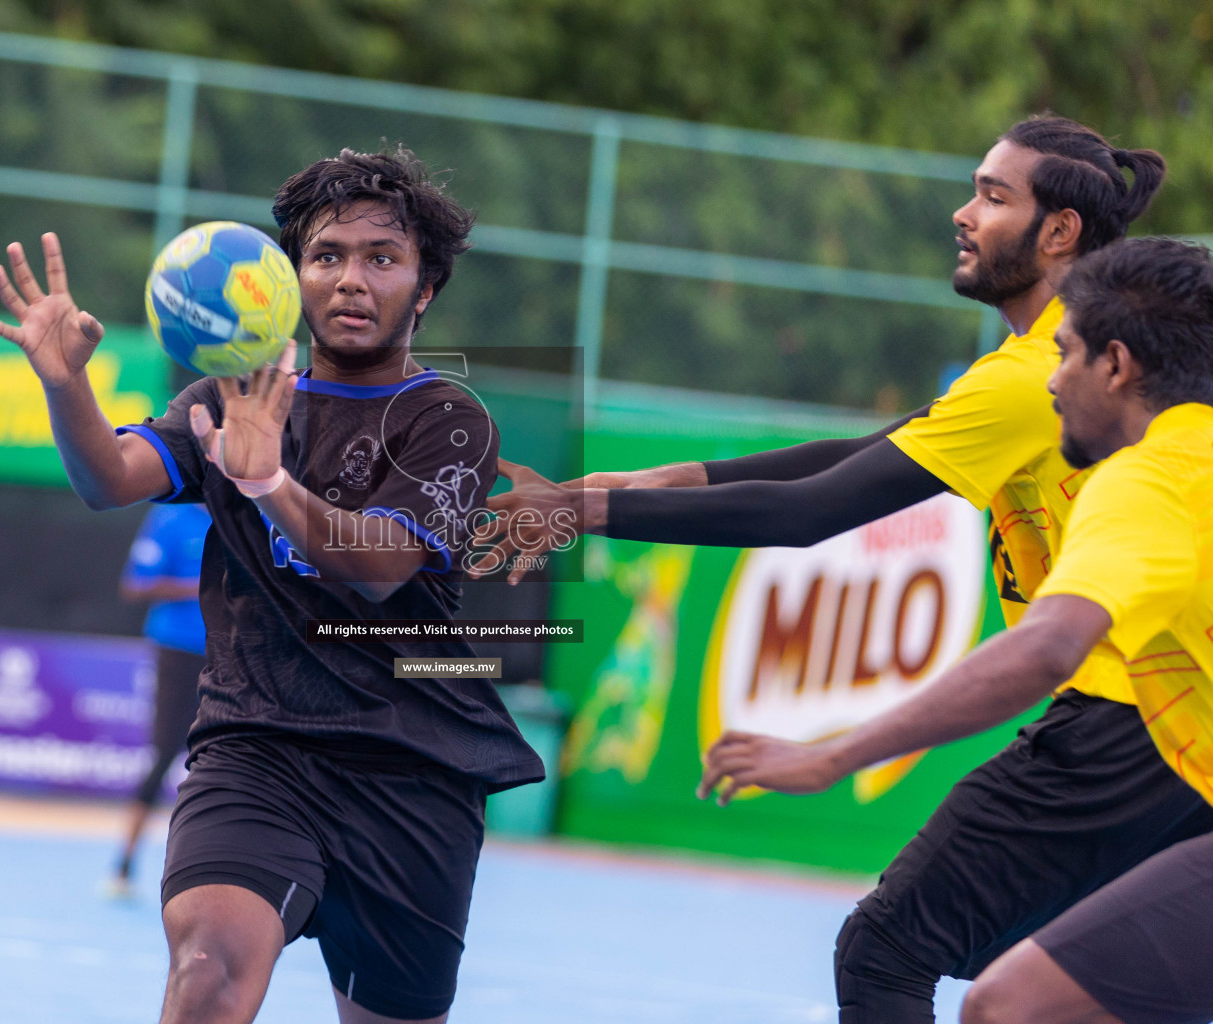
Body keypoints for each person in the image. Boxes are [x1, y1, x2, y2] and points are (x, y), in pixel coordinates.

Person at [473, 115, 1213, 1024]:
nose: (963, 213)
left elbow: (812, 510)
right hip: (1171, 729)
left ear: (1060, 232)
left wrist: (588, 509)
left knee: (890, 951)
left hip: (1123, 718)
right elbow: (875, 450)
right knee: (1103, 988)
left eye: (992, 195)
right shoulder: (1046, 372)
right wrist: (666, 478)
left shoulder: (1046, 376)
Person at [0, 146, 544, 1024]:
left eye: (381, 259)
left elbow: (380, 565)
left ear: (424, 289)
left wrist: (267, 484)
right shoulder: (225, 395)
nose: (351, 280)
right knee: (205, 969)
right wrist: (67, 388)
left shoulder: (448, 420)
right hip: (257, 746)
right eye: (327, 256)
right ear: (288, 280)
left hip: (409, 767)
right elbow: (107, 478)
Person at [701, 235, 1213, 1024]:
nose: (1051, 378)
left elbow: (1047, 644)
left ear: (1116, 366)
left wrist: (833, 753)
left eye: (1067, 354)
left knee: (985, 992)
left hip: (1108, 734)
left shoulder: (1146, 480)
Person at [109, 501, 213, 898]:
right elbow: (135, 584)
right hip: (179, 652)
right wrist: (205, 585)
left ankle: (208, 871)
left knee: (221, 757)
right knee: (165, 752)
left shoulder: (250, 511)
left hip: (230, 652)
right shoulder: (171, 518)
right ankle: (124, 862)